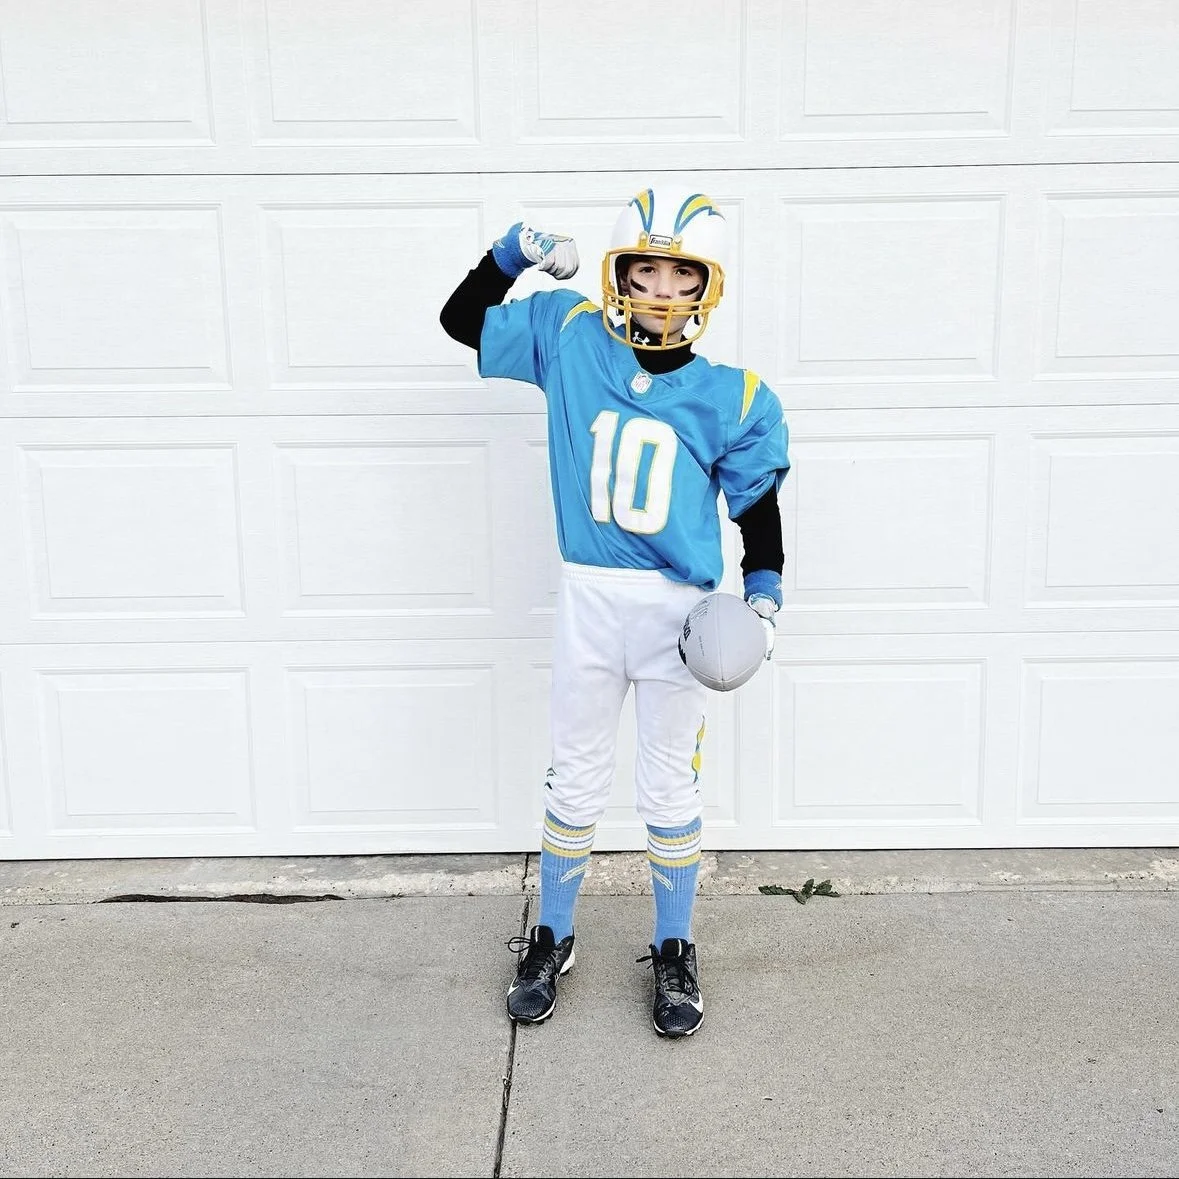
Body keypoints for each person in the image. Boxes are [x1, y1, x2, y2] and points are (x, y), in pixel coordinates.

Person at [439, 184, 790, 1038]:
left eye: (681, 275)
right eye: (646, 271)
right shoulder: (569, 336)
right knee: (575, 771)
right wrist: (512, 252)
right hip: (590, 598)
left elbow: (755, 505)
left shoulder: (734, 395)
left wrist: (764, 595)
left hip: (678, 614)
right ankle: (552, 936)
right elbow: (460, 321)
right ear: (618, 274)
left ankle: (673, 945)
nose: (662, 289)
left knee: (669, 782)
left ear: (704, 284)